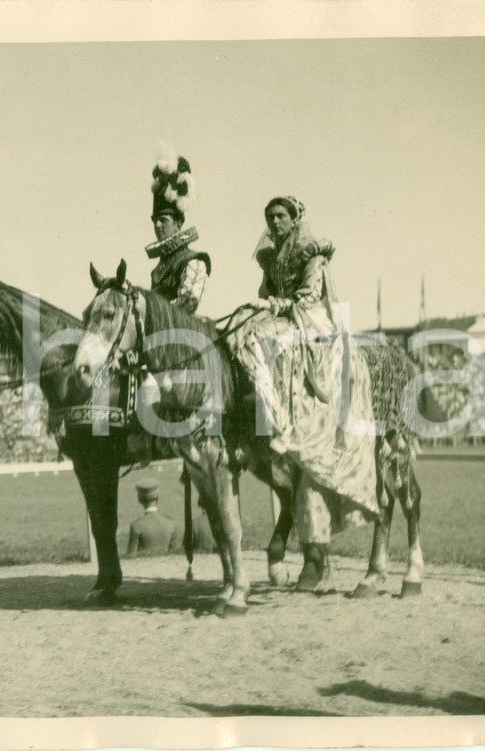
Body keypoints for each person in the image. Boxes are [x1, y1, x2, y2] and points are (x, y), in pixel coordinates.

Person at [226, 196, 379, 591]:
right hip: (283, 316)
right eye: (270, 217)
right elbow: (265, 292)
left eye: (281, 216)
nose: (275, 222)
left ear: (295, 219)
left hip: (313, 319)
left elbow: (311, 295)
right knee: (244, 331)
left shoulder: (312, 252)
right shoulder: (271, 256)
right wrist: (267, 305)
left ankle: (280, 409)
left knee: (264, 338)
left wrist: (280, 305)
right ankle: (260, 413)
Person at [145, 151, 210, 315]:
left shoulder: (193, 261)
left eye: (163, 220)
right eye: (155, 221)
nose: (158, 225)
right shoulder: (158, 269)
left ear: (178, 223)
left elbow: (188, 304)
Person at [127, 479, 181, 555]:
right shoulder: (171, 524)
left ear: (140, 500)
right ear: (157, 498)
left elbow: (131, 556)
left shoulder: (136, 526)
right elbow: (176, 554)